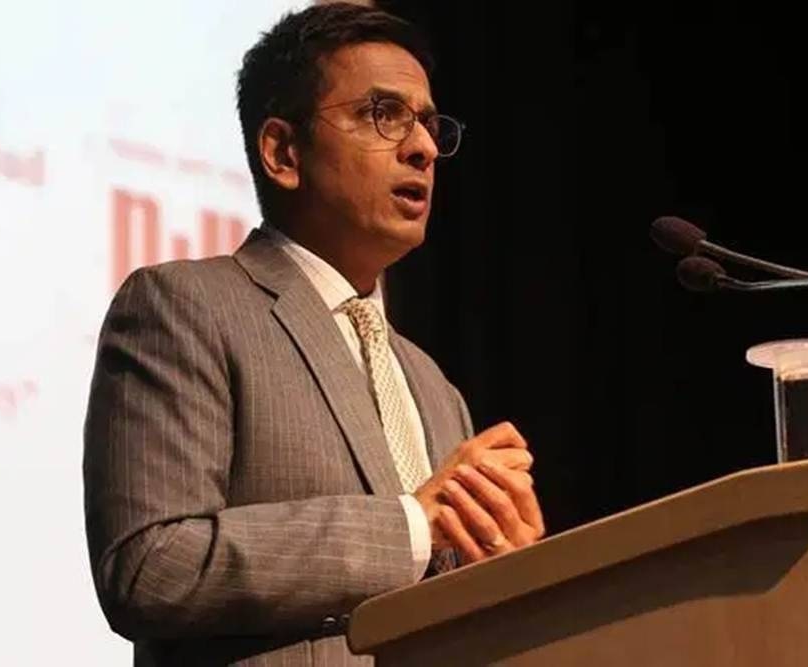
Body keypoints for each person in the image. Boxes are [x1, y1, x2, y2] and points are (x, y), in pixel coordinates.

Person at [82, 4, 544, 665]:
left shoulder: (435, 388)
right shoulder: (185, 308)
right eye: (383, 114)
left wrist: (510, 573)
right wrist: (412, 525)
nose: (421, 147)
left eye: (426, 122)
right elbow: (151, 565)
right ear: (282, 152)